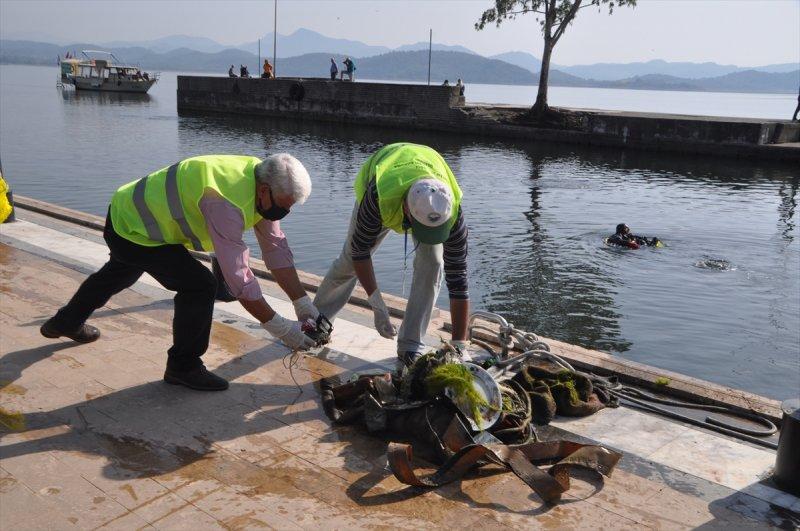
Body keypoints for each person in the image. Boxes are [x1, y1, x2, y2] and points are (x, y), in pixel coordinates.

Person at [40, 154, 321, 391]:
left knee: (119, 274)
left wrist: (303, 305)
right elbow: (239, 279)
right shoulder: (226, 200)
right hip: (136, 225)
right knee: (199, 285)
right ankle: (183, 366)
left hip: (133, 216)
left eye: (290, 207)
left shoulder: (262, 180)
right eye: (284, 205)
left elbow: (276, 252)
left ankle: (65, 322)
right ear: (263, 190)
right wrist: (281, 329)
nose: (286, 212)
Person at [314, 143, 470, 368]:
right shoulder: (379, 195)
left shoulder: (451, 212)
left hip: (423, 179)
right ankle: (318, 320)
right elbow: (360, 252)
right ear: (407, 210)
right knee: (349, 261)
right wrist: (377, 304)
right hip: (384, 182)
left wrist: (460, 346)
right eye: (424, 230)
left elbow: (459, 280)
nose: (427, 237)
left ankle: (411, 344)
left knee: (434, 263)